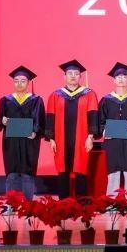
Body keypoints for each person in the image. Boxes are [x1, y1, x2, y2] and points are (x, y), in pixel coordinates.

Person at [44, 59, 98, 198]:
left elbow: (93, 115)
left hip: (82, 138)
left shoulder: (89, 94)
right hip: (60, 139)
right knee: (62, 170)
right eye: (70, 73)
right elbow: (50, 117)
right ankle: (63, 203)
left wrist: (90, 137)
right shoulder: (55, 95)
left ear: (80, 76)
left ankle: (82, 203)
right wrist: (51, 139)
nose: (73, 76)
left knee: (81, 168)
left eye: (76, 73)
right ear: (64, 76)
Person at [0, 66, 44, 200]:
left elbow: (40, 120)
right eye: (16, 81)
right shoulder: (5, 100)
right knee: (12, 172)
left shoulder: (36, 100)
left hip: (29, 141)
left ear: (28, 82)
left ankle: (28, 204)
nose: (19, 84)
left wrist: (35, 133)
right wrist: (2, 120)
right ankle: (11, 203)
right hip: (11, 142)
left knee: (27, 172)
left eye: (23, 81)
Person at [98, 62, 127, 198]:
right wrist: (105, 131)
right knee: (113, 170)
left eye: (124, 76)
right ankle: (111, 202)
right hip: (112, 141)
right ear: (114, 80)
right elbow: (100, 120)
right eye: (118, 77)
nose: (121, 79)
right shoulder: (106, 100)